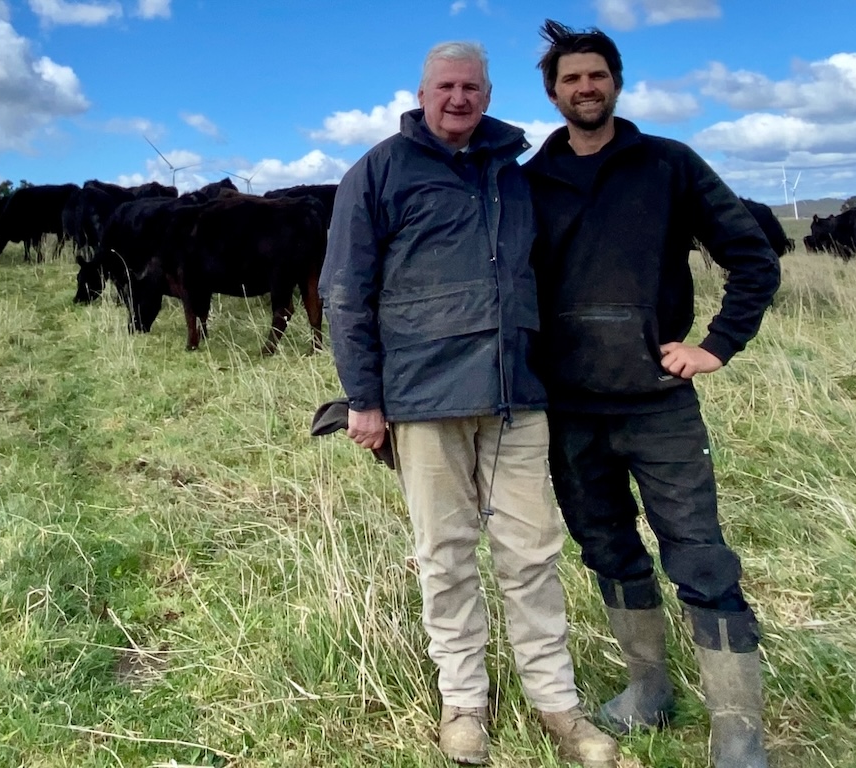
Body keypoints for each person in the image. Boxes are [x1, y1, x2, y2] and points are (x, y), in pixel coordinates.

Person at [318, 40, 617, 768]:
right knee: (445, 557)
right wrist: (364, 398)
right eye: (446, 86)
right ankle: (464, 704)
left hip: (516, 394)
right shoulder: (379, 172)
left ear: (488, 93)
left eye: (472, 87)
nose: (459, 98)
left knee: (532, 554)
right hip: (423, 399)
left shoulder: (511, 175)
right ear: (422, 93)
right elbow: (346, 292)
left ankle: (558, 705)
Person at [522, 20, 781, 768]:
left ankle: (738, 731)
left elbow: (752, 258)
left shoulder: (668, 165)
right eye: (571, 78)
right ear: (553, 92)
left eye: (596, 75)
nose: (585, 87)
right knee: (606, 550)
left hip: (658, 402)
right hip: (570, 408)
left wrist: (715, 346)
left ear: (618, 83)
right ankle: (648, 690)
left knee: (699, 557)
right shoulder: (532, 180)